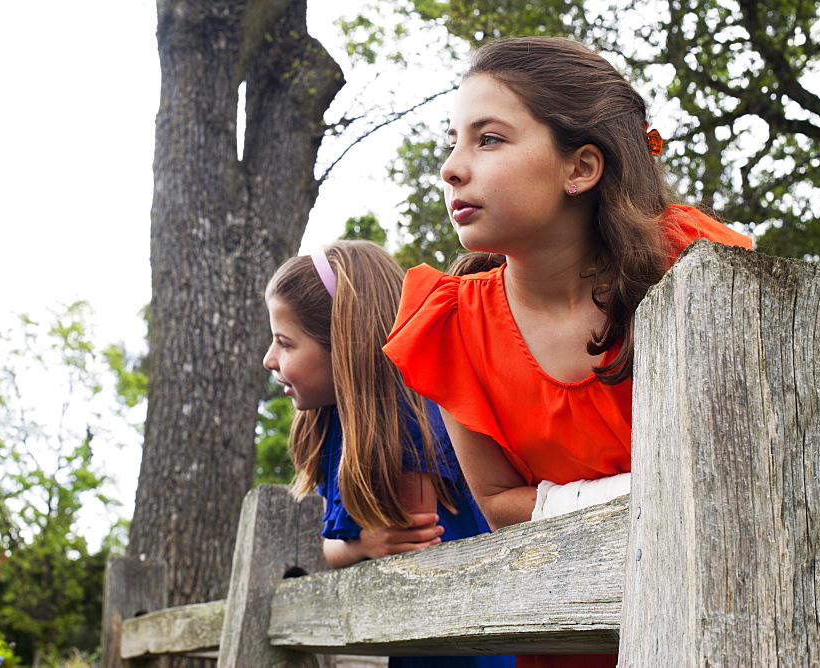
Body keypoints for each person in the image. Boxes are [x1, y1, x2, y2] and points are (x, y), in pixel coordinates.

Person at [382, 37, 753, 668]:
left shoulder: (692, 265)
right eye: (452, 141)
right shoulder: (451, 323)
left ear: (580, 168)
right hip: (570, 636)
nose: (451, 166)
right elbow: (499, 504)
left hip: (730, 620)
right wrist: (649, 499)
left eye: (489, 139)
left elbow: (753, 462)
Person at [263, 239, 515, 668]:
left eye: (285, 343)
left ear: (342, 344)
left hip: (472, 633)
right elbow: (338, 546)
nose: (270, 359)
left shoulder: (406, 412)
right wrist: (361, 543)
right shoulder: (332, 425)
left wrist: (361, 545)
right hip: (419, 638)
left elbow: (415, 545)